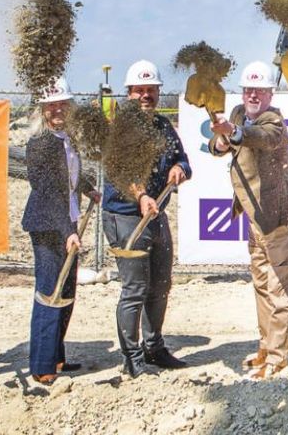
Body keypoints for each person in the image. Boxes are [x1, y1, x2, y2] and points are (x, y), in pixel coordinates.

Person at [208, 60, 288, 380]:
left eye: (259, 90)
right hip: (255, 217)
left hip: (280, 215)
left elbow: (261, 137)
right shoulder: (237, 112)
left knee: (279, 287)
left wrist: (233, 132)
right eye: (248, 89)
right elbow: (218, 147)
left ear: (270, 93)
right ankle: (266, 345)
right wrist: (222, 137)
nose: (252, 95)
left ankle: (278, 355)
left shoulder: (273, 120)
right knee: (262, 285)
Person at [102, 60, 191, 378]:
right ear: (129, 94)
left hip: (156, 214)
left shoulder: (163, 127)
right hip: (125, 217)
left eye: (151, 90)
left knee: (161, 284)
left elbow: (183, 159)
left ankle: (155, 348)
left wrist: (179, 168)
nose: (146, 95)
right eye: (140, 90)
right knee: (135, 287)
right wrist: (140, 196)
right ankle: (132, 357)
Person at [23, 77, 101, 385]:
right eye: (51, 106)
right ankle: (41, 365)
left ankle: (56, 356)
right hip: (47, 227)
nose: (57, 111)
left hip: (67, 222)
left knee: (66, 293)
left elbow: (68, 177)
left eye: (62, 105)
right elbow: (46, 191)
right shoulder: (39, 144)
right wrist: (68, 230)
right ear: (42, 110)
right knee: (49, 293)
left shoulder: (68, 139)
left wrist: (88, 188)